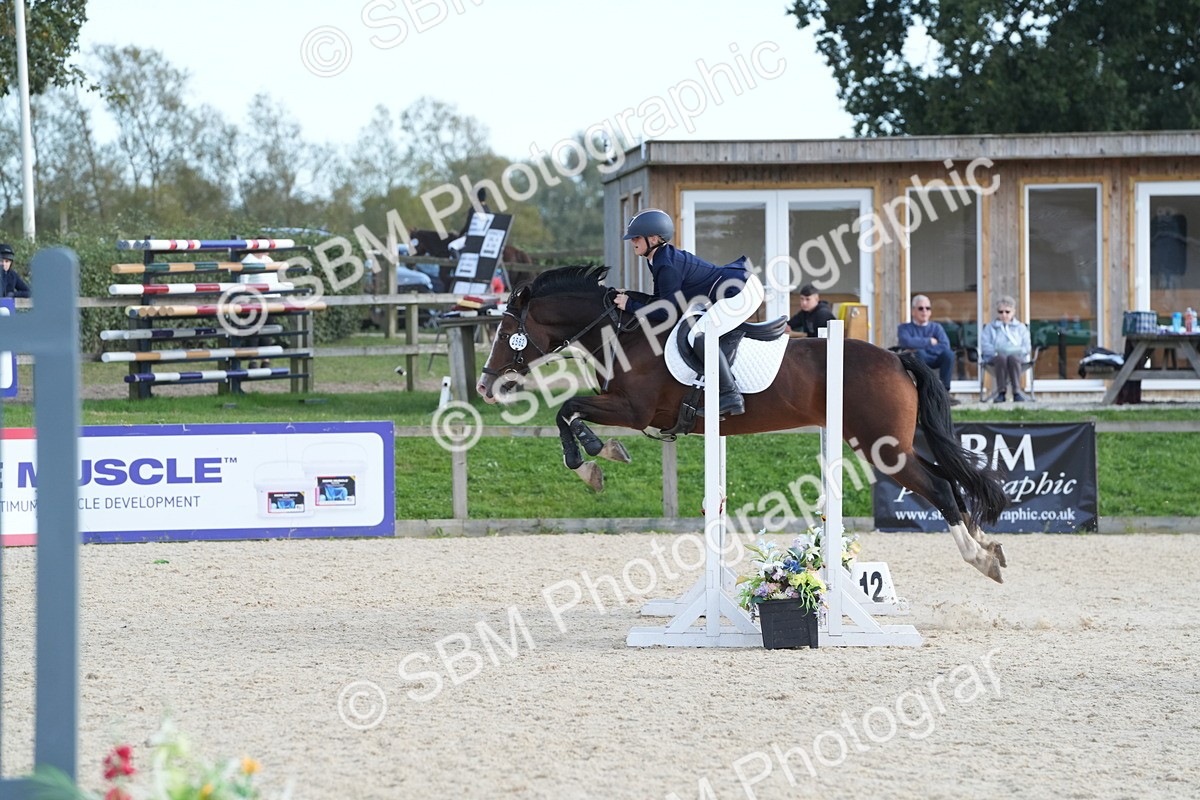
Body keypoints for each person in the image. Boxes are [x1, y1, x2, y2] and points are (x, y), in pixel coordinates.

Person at [613, 208, 764, 417]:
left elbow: (667, 313)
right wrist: (631, 296)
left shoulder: (666, 264)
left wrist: (630, 305)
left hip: (739, 292)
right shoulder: (658, 258)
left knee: (699, 335)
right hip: (733, 286)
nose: (632, 242)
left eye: (636, 237)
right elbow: (662, 301)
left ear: (654, 238)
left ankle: (730, 395)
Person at [897, 294, 958, 404]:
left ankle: (944, 392)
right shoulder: (904, 328)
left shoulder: (936, 327)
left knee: (948, 354)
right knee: (919, 354)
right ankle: (924, 392)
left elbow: (945, 345)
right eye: (921, 308)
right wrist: (929, 341)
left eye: (927, 308)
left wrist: (919, 346)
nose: (924, 311)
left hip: (934, 358)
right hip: (916, 360)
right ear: (913, 311)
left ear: (930, 312)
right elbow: (905, 342)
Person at [980, 295, 1033, 402]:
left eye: (1007, 312)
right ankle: (1001, 392)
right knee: (1002, 358)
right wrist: (998, 350)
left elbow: (1027, 347)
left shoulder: (1021, 328)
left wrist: (1015, 350)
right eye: (1001, 312)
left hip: (1017, 359)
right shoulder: (990, 327)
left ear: (1013, 312)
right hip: (996, 359)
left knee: (1012, 358)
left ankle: (1016, 392)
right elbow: (985, 346)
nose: (1004, 315)